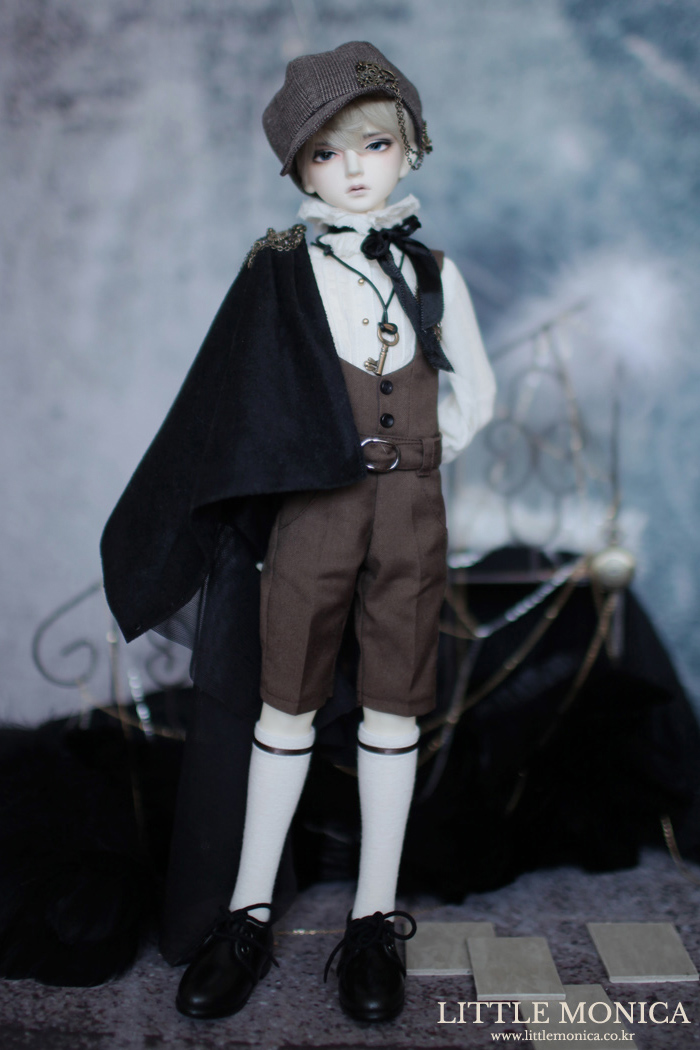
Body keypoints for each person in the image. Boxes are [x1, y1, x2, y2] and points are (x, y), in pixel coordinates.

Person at [101, 40, 495, 1025]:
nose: (354, 169)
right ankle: (246, 914)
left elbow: (477, 394)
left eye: (374, 144)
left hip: (411, 510)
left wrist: (418, 454)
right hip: (313, 506)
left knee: (394, 707)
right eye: (326, 153)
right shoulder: (280, 272)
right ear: (297, 168)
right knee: (285, 705)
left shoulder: (434, 273)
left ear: (410, 147)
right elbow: (229, 402)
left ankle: (372, 920)